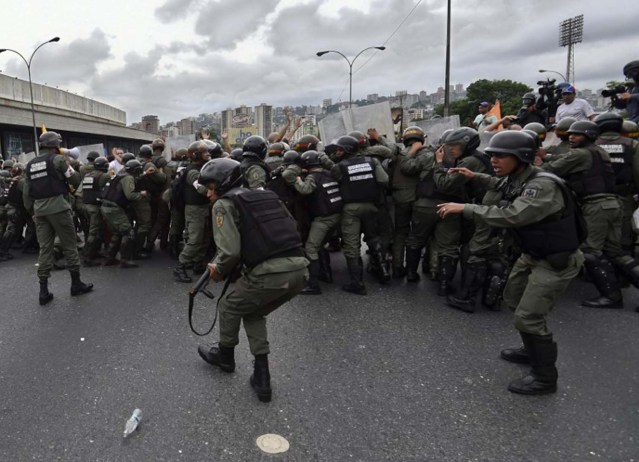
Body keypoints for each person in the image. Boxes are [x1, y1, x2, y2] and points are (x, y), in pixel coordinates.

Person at [437, 130, 584, 395]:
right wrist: (474, 175)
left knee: (528, 317)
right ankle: (530, 349)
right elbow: (500, 185)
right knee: (514, 299)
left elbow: (514, 215)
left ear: (523, 157)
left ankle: (545, 378)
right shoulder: (518, 177)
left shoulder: (542, 185)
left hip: (555, 259)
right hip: (534, 253)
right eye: (492, 155)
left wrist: (466, 209)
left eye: (502, 156)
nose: (494, 160)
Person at [195, 158, 308, 403]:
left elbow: (229, 253)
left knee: (228, 305)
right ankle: (262, 376)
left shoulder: (224, 204)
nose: (209, 193)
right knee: (253, 312)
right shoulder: (266, 195)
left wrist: (218, 270)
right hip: (300, 270)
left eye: (211, 186)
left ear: (224, 183)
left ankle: (225, 357)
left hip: (268, 274)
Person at [23, 131, 94, 305]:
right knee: (69, 245)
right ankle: (76, 284)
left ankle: (43, 291)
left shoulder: (30, 164)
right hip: (59, 208)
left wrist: (33, 211)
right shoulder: (59, 160)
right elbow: (76, 180)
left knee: (45, 248)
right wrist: (70, 164)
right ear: (55, 145)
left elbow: (26, 192)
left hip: (39, 210)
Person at [293, 150, 342, 294]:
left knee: (310, 249)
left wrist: (298, 180)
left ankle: (313, 285)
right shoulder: (329, 173)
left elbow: (305, 190)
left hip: (323, 219)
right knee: (319, 245)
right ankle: (326, 274)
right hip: (337, 216)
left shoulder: (312, 177)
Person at [173, 141, 212, 283]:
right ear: (195, 155)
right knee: (195, 240)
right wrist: (213, 192)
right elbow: (200, 187)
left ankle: (198, 263)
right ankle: (180, 267)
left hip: (202, 208)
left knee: (205, 238)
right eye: (204, 152)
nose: (208, 154)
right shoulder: (193, 171)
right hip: (195, 209)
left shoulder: (201, 167)